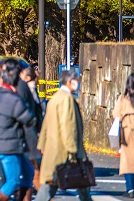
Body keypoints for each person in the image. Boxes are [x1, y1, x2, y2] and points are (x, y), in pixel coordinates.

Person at [36, 69, 91, 201]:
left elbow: (46, 124)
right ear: (69, 81)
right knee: (80, 180)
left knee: (51, 184)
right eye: (76, 80)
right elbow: (68, 126)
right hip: (64, 151)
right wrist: (73, 150)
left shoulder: (54, 98)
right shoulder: (67, 100)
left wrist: (42, 144)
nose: (77, 83)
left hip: (53, 150)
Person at [0, 59, 36, 201]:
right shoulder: (14, 100)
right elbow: (29, 119)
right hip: (11, 146)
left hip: (0, 144)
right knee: (13, 180)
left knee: (28, 173)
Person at [114, 72, 134, 198]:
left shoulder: (123, 98)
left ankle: (130, 189)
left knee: (129, 161)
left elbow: (116, 114)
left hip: (127, 133)